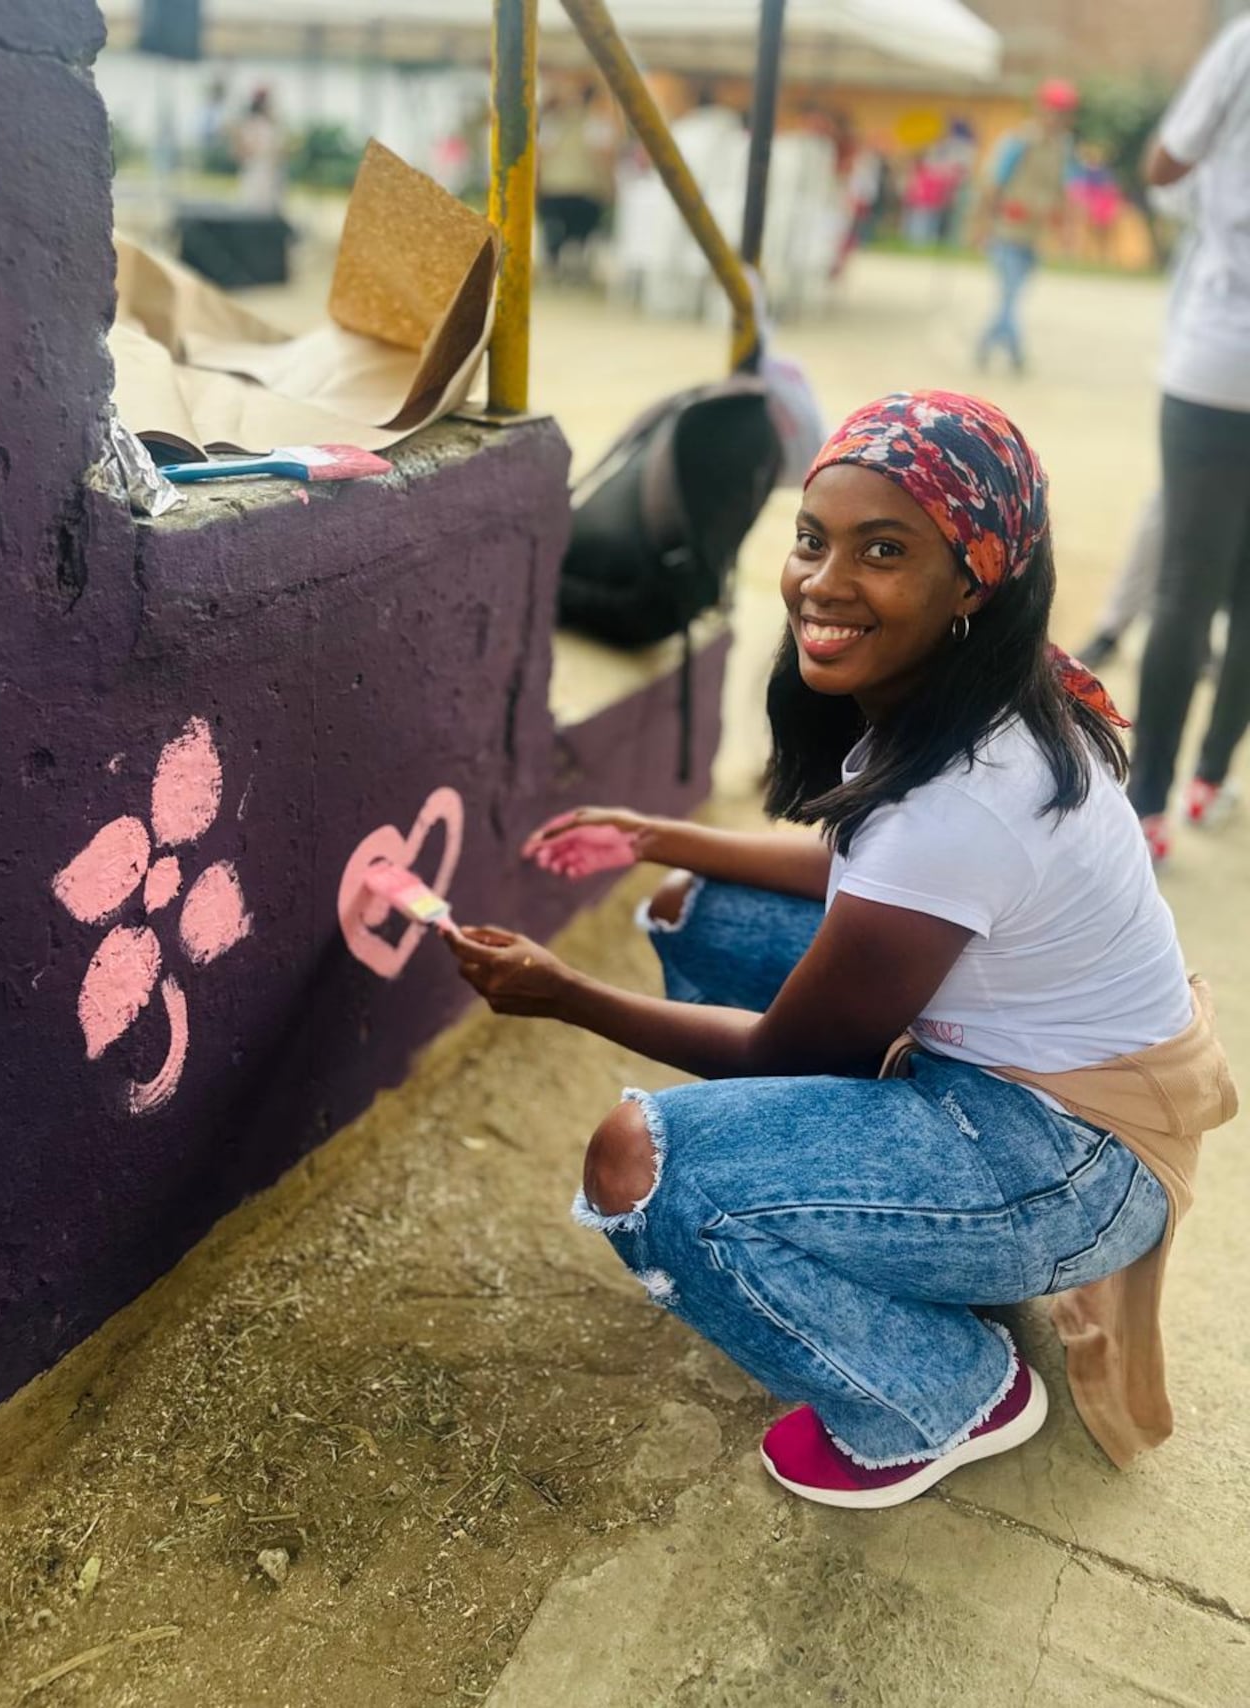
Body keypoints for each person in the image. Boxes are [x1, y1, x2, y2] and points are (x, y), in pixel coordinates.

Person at [446, 392, 1235, 1509]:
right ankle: (877, 1238)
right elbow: (876, 885)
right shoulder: (973, 696)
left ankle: (941, 1392)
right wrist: (652, 835)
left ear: (972, 576)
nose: (823, 581)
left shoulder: (969, 795)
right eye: (812, 539)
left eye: (882, 551)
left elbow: (780, 1048)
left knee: (641, 1163)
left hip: (1070, 1160)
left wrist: (562, 991)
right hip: (1022, 1089)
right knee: (696, 908)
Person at [1127, 15, 1250, 862]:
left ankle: (1147, 806)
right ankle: (1211, 779)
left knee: (1185, 589)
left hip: (1217, 357)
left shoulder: (1245, 42)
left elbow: (1164, 163)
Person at [974, 79, 1077, 373]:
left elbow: (1063, 191)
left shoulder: (1063, 147)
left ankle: (985, 344)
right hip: (1007, 230)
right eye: (1053, 110)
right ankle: (1016, 353)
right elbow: (993, 183)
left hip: (1034, 234)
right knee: (1009, 294)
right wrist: (982, 224)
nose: (1057, 118)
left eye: (1063, 112)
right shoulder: (1019, 140)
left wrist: (1066, 230)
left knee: (1013, 296)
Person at [536, 86, 615, 277]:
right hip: (584, 188)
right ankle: (574, 268)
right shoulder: (595, 124)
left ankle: (555, 268)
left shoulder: (553, 122)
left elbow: (541, 155)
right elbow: (603, 157)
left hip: (556, 187)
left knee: (555, 232)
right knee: (580, 234)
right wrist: (609, 185)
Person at [234, 87, 285, 213]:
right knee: (255, 204)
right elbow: (242, 151)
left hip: (268, 169)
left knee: (269, 204)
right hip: (256, 168)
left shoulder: (269, 124)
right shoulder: (253, 124)